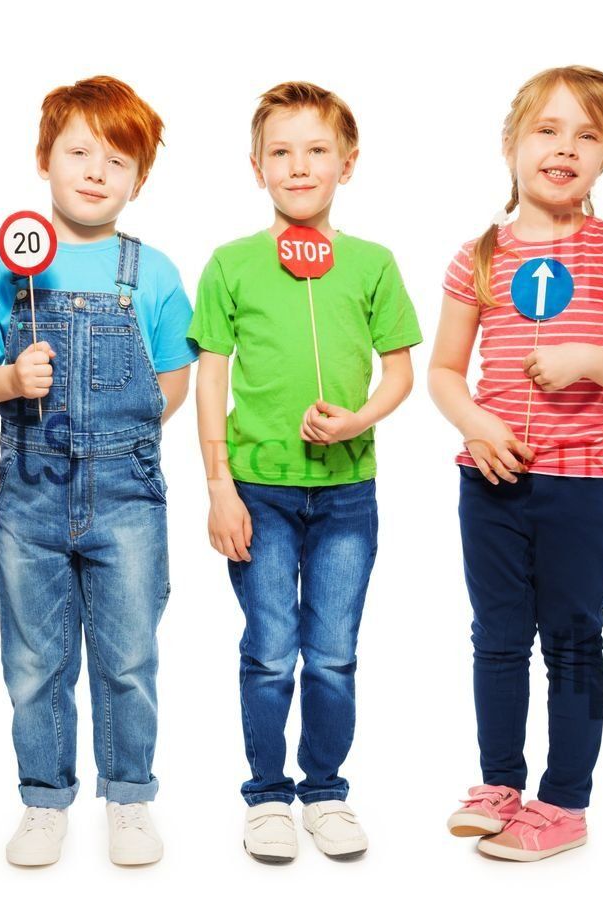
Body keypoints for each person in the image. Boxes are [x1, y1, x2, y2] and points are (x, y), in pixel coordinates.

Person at [0, 75, 196, 867]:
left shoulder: (150, 270)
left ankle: (129, 798)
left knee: (128, 655)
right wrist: (9, 382)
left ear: (140, 179)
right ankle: (43, 799)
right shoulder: (4, 267)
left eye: (117, 159)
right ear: (43, 158)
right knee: (35, 658)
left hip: (127, 492)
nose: (96, 170)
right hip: (30, 489)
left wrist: (121, 432)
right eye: (79, 151)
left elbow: (172, 374)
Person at [430, 65, 603, 861]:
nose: (564, 147)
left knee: (572, 636)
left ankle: (563, 803)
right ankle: (500, 785)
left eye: (586, 134)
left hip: (582, 480)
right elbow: (444, 370)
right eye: (547, 129)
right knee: (496, 637)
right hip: (490, 479)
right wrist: (476, 425)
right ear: (511, 145)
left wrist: (583, 358)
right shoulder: (480, 255)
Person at [188, 81, 420, 863]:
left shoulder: (373, 264)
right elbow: (212, 377)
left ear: (347, 163)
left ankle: (324, 789)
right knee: (268, 645)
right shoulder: (230, 265)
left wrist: (359, 418)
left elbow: (398, 373)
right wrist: (219, 484)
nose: (298, 165)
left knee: (332, 649)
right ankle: (265, 796)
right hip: (259, 489)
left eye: (316, 149)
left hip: (348, 492)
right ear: (256, 166)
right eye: (281, 151)